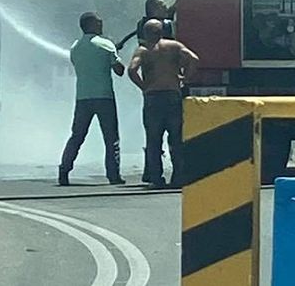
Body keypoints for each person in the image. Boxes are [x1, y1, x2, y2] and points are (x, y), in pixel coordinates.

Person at [128, 18, 199, 188]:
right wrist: (185, 78)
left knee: (153, 140)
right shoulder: (174, 46)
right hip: (172, 95)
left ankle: (156, 178)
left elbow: (131, 70)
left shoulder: (143, 50)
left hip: (153, 97)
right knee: (176, 139)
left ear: (145, 33)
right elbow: (194, 58)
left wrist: (144, 87)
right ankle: (178, 178)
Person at [59, 12, 126, 186]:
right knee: (111, 139)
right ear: (91, 25)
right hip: (104, 97)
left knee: (77, 136)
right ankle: (114, 175)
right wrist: (115, 55)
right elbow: (119, 70)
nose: (101, 23)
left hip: (83, 98)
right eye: (98, 21)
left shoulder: (75, 47)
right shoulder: (106, 44)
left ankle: (64, 171)